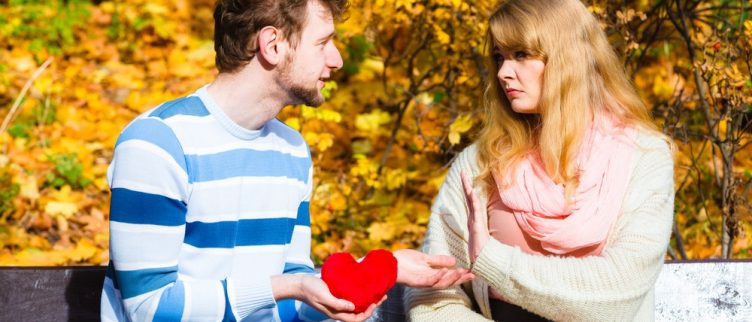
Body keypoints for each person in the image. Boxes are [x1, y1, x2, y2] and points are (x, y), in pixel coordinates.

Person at [100, 0, 473, 321]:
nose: (337, 59)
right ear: (272, 44)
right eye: (323, 42)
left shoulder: (290, 150)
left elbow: (290, 304)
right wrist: (288, 286)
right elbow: (148, 308)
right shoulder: (158, 144)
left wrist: (375, 273)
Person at [404, 0, 674, 321]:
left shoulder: (643, 157)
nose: (504, 72)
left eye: (521, 55)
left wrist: (493, 260)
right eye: (499, 57)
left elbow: (620, 291)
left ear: (567, 57)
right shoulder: (479, 163)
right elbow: (432, 294)